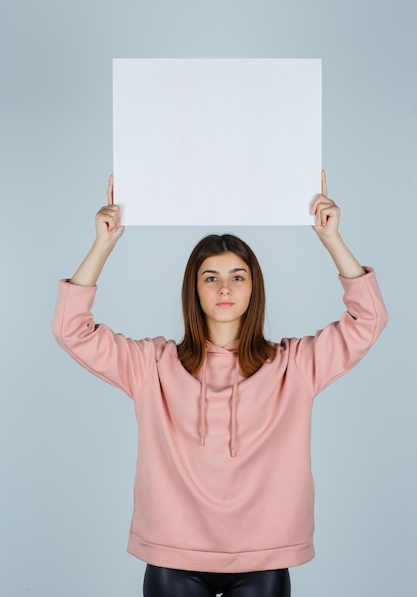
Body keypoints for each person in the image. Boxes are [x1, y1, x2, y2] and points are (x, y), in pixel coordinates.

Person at [52, 171, 388, 597]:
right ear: (194, 289)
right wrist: (103, 244)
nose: (225, 287)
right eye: (210, 277)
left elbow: (369, 320)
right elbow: (71, 329)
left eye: (238, 276)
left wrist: (332, 240)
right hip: (173, 558)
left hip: (264, 558)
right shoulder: (152, 365)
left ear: (254, 288)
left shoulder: (295, 365)